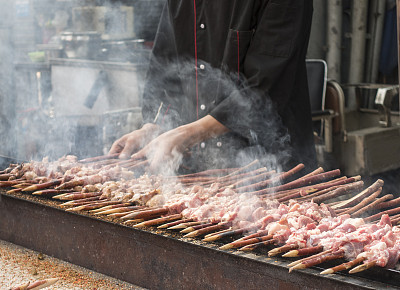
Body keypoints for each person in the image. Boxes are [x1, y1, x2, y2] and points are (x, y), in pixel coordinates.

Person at [110, 0, 317, 174]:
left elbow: (264, 89)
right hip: (196, 177)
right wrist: (154, 128)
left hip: (270, 172)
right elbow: (166, 71)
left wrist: (184, 135)